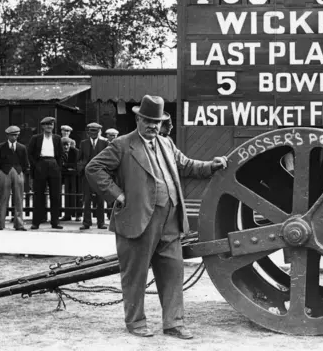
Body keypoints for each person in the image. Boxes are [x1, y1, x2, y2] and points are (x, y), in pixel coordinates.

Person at [86, 95, 228, 339]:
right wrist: (117, 195)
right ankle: (136, 322)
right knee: (135, 275)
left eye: (157, 121)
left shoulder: (166, 143)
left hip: (170, 220)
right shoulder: (122, 145)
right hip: (138, 221)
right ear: (138, 119)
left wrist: (212, 166)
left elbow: (187, 166)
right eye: (148, 120)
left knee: (173, 272)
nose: (153, 125)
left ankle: (173, 323)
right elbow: (93, 168)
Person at [27, 117, 63, 230]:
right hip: (41, 164)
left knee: (55, 195)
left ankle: (55, 222)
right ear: (42, 126)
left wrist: (58, 165)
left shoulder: (57, 138)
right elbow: (30, 153)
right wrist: (36, 165)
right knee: (38, 195)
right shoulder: (36, 138)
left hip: (53, 164)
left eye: (51, 125)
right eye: (46, 125)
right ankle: (36, 222)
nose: (49, 127)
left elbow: (61, 154)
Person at [0, 126, 29, 231]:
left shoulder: (22, 148)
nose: (15, 137)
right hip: (4, 172)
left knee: (19, 198)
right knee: (2, 198)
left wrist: (20, 172)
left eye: (16, 135)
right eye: (12, 135)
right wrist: (1, 172)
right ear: (7, 135)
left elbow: (25, 163)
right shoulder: (0, 147)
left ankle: (19, 224)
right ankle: (0, 224)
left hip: (18, 172)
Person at [78, 123, 109, 230]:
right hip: (87, 176)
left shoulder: (105, 143)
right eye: (91, 130)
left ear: (100, 132)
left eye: (96, 131)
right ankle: (86, 222)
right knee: (87, 200)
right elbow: (80, 158)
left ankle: (101, 223)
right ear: (88, 132)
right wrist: (82, 168)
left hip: (100, 176)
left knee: (100, 200)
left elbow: (108, 159)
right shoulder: (83, 143)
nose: (93, 133)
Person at [60, 136, 80, 221]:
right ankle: (67, 215)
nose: (65, 147)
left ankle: (78, 215)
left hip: (77, 177)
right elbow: (59, 165)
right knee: (66, 196)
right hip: (64, 177)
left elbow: (77, 164)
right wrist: (67, 166)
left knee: (78, 195)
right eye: (63, 145)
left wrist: (66, 165)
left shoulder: (75, 152)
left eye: (67, 145)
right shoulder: (58, 152)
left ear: (70, 145)